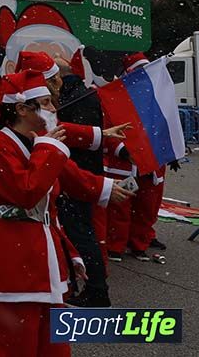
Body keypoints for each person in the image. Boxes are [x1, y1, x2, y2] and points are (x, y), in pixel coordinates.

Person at [0, 70, 133, 357]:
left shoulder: (38, 141)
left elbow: (67, 173)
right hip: (11, 253)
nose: (53, 108)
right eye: (46, 102)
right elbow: (27, 191)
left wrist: (105, 187)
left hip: (41, 249)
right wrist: (49, 149)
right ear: (22, 109)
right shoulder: (0, 146)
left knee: (53, 345)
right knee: (12, 345)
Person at [55, 47, 119, 306]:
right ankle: (84, 287)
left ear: (60, 78)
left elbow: (66, 133)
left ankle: (96, 291)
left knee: (80, 234)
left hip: (77, 175)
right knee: (80, 233)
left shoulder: (78, 98)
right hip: (80, 174)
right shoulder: (78, 95)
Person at [105, 52, 168, 264]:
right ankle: (115, 246)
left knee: (147, 206)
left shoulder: (158, 98)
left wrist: (170, 151)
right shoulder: (114, 97)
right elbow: (107, 131)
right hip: (126, 163)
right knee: (120, 205)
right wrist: (123, 151)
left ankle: (139, 243)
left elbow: (166, 126)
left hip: (152, 164)